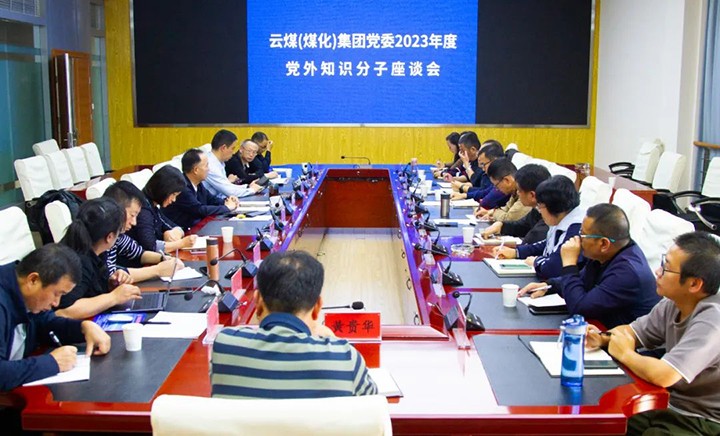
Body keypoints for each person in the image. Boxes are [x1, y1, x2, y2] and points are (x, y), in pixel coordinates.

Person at [586, 232, 720, 436]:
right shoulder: (673, 303)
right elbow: (631, 332)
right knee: (599, 418)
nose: (657, 272)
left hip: (701, 418)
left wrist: (625, 353)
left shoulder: (712, 320)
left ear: (694, 284)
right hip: (666, 402)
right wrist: (602, 338)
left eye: (666, 268)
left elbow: (664, 375)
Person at [211, 250, 377, 399]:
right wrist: (333, 341)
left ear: (258, 301)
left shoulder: (225, 346)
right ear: (317, 307)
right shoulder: (344, 358)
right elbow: (374, 405)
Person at [520, 203, 659, 329]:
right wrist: (549, 285)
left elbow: (580, 308)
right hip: (600, 330)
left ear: (604, 244)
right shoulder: (606, 253)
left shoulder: (627, 272)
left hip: (624, 344)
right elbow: (581, 280)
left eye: (583, 235)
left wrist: (569, 263)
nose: (578, 239)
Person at [0, 244, 110, 391]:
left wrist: (83, 328)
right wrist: (52, 363)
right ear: (33, 280)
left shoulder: (25, 293)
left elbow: (46, 323)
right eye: (56, 294)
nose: (56, 303)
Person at [56, 198, 142, 320]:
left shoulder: (96, 251)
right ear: (109, 237)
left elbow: (90, 290)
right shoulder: (78, 261)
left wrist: (110, 284)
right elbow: (65, 311)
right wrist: (114, 297)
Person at [493, 175, 585, 279]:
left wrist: (536, 261)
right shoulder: (562, 218)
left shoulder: (577, 228)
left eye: (540, 207)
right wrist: (516, 252)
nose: (540, 212)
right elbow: (547, 244)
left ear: (552, 206)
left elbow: (554, 268)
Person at [103, 181, 183, 280]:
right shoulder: (100, 236)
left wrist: (163, 258)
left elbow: (138, 253)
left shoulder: (118, 235)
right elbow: (111, 275)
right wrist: (158, 270)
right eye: (132, 215)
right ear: (116, 210)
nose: (134, 222)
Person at [126, 165, 197, 253]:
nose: (174, 200)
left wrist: (175, 232)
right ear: (164, 189)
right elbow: (150, 246)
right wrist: (181, 243)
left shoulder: (152, 205)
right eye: (173, 195)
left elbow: (171, 225)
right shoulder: (143, 209)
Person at [163, 148, 239, 229]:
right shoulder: (182, 187)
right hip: (181, 230)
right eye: (206, 166)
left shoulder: (198, 183)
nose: (208, 169)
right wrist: (227, 207)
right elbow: (199, 210)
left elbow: (211, 200)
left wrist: (227, 201)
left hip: (196, 226)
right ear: (196, 170)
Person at [481, 164, 551, 244]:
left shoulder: (549, 218)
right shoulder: (537, 209)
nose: (517, 193)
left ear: (532, 195)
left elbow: (531, 242)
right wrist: (501, 226)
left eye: (519, 191)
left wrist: (517, 250)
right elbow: (523, 225)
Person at [204, 129, 263, 198]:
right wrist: (252, 190)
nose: (233, 152)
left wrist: (247, 187)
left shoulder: (219, 162)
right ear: (223, 148)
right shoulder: (210, 165)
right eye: (232, 148)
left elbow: (227, 186)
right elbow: (229, 191)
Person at [475, 158, 532, 223]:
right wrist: (489, 212)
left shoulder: (524, 192)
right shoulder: (514, 191)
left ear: (507, 180)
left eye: (496, 185)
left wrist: (494, 213)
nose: (497, 189)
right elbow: (505, 209)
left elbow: (508, 219)